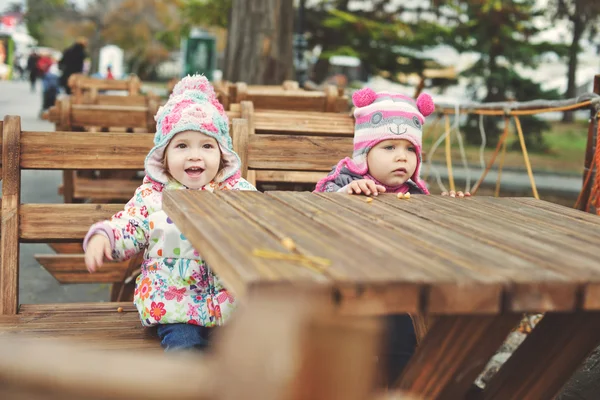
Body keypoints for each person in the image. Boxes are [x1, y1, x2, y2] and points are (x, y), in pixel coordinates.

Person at [83, 75, 256, 351]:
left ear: (222, 154)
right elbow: (131, 224)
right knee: (185, 354)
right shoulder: (153, 197)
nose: (195, 155)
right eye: (182, 145)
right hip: (177, 308)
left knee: (251, 358)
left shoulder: (236, 191)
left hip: (231, 307)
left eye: (207, 145)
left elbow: (261, 222)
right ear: (163, 155)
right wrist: (107, 237)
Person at [314, 87, 471, 386]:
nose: (402, 157)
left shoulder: (413, 193)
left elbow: (431, 238)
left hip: (394, 290)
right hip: (341, 284)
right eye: (389, 148)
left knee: (402, 335)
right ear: (365, 153)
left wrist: (451, 210)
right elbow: (314, 212)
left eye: (409, 149)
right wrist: (344, 196)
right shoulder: (345, 182)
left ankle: (403, 385)